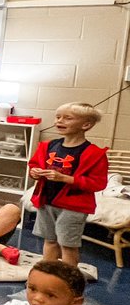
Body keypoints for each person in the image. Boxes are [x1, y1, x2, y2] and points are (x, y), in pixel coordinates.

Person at [29, 102, 108, 268]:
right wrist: (35, 172)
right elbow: (34, 164)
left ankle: (68, 281)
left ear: (86, 125)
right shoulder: (47, 146)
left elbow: (98, 183)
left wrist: (66, 179)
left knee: (67, 245)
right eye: (58, 117)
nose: (60, 121)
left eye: (67, 118)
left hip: (73, 207)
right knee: (49, 241)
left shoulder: (94, 154)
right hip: (46, 201)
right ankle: (48, 276)